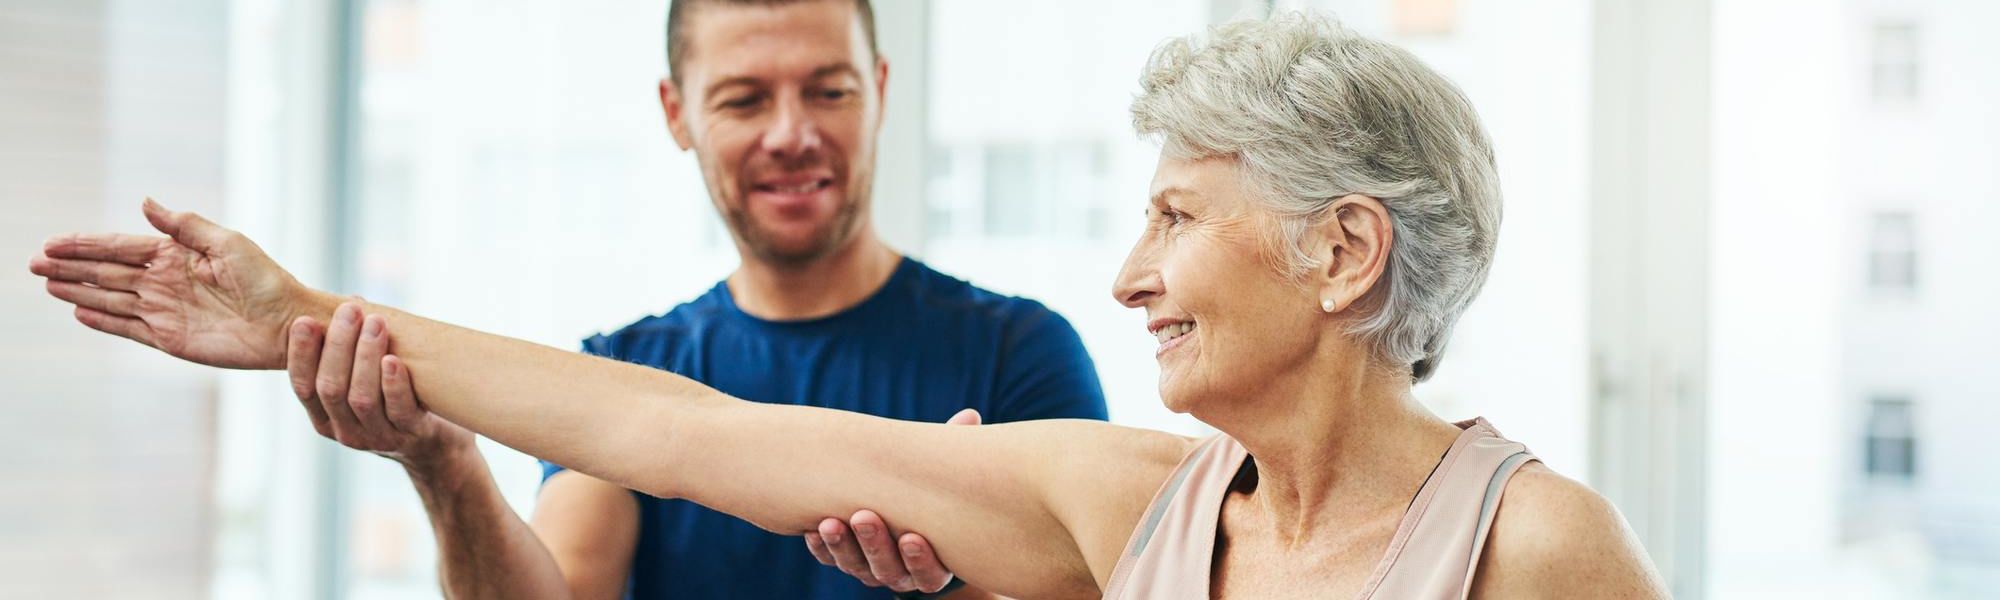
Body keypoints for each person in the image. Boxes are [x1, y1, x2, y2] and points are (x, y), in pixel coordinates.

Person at [32, 12, 1669, 598]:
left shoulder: (1537, 552)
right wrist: (305, 311)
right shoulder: (1131, 503)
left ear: (1343, 254)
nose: (1126, 274)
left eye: (1176, 216)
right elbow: (668, 428)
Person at [41, 0, 1109, 598]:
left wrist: (966, 585)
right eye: (743, 97)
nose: (790, 131)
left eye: (826, 89)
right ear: (675, 112)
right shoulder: (629, 369)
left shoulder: (1019, 352)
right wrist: (442, 459)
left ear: (877, 92)